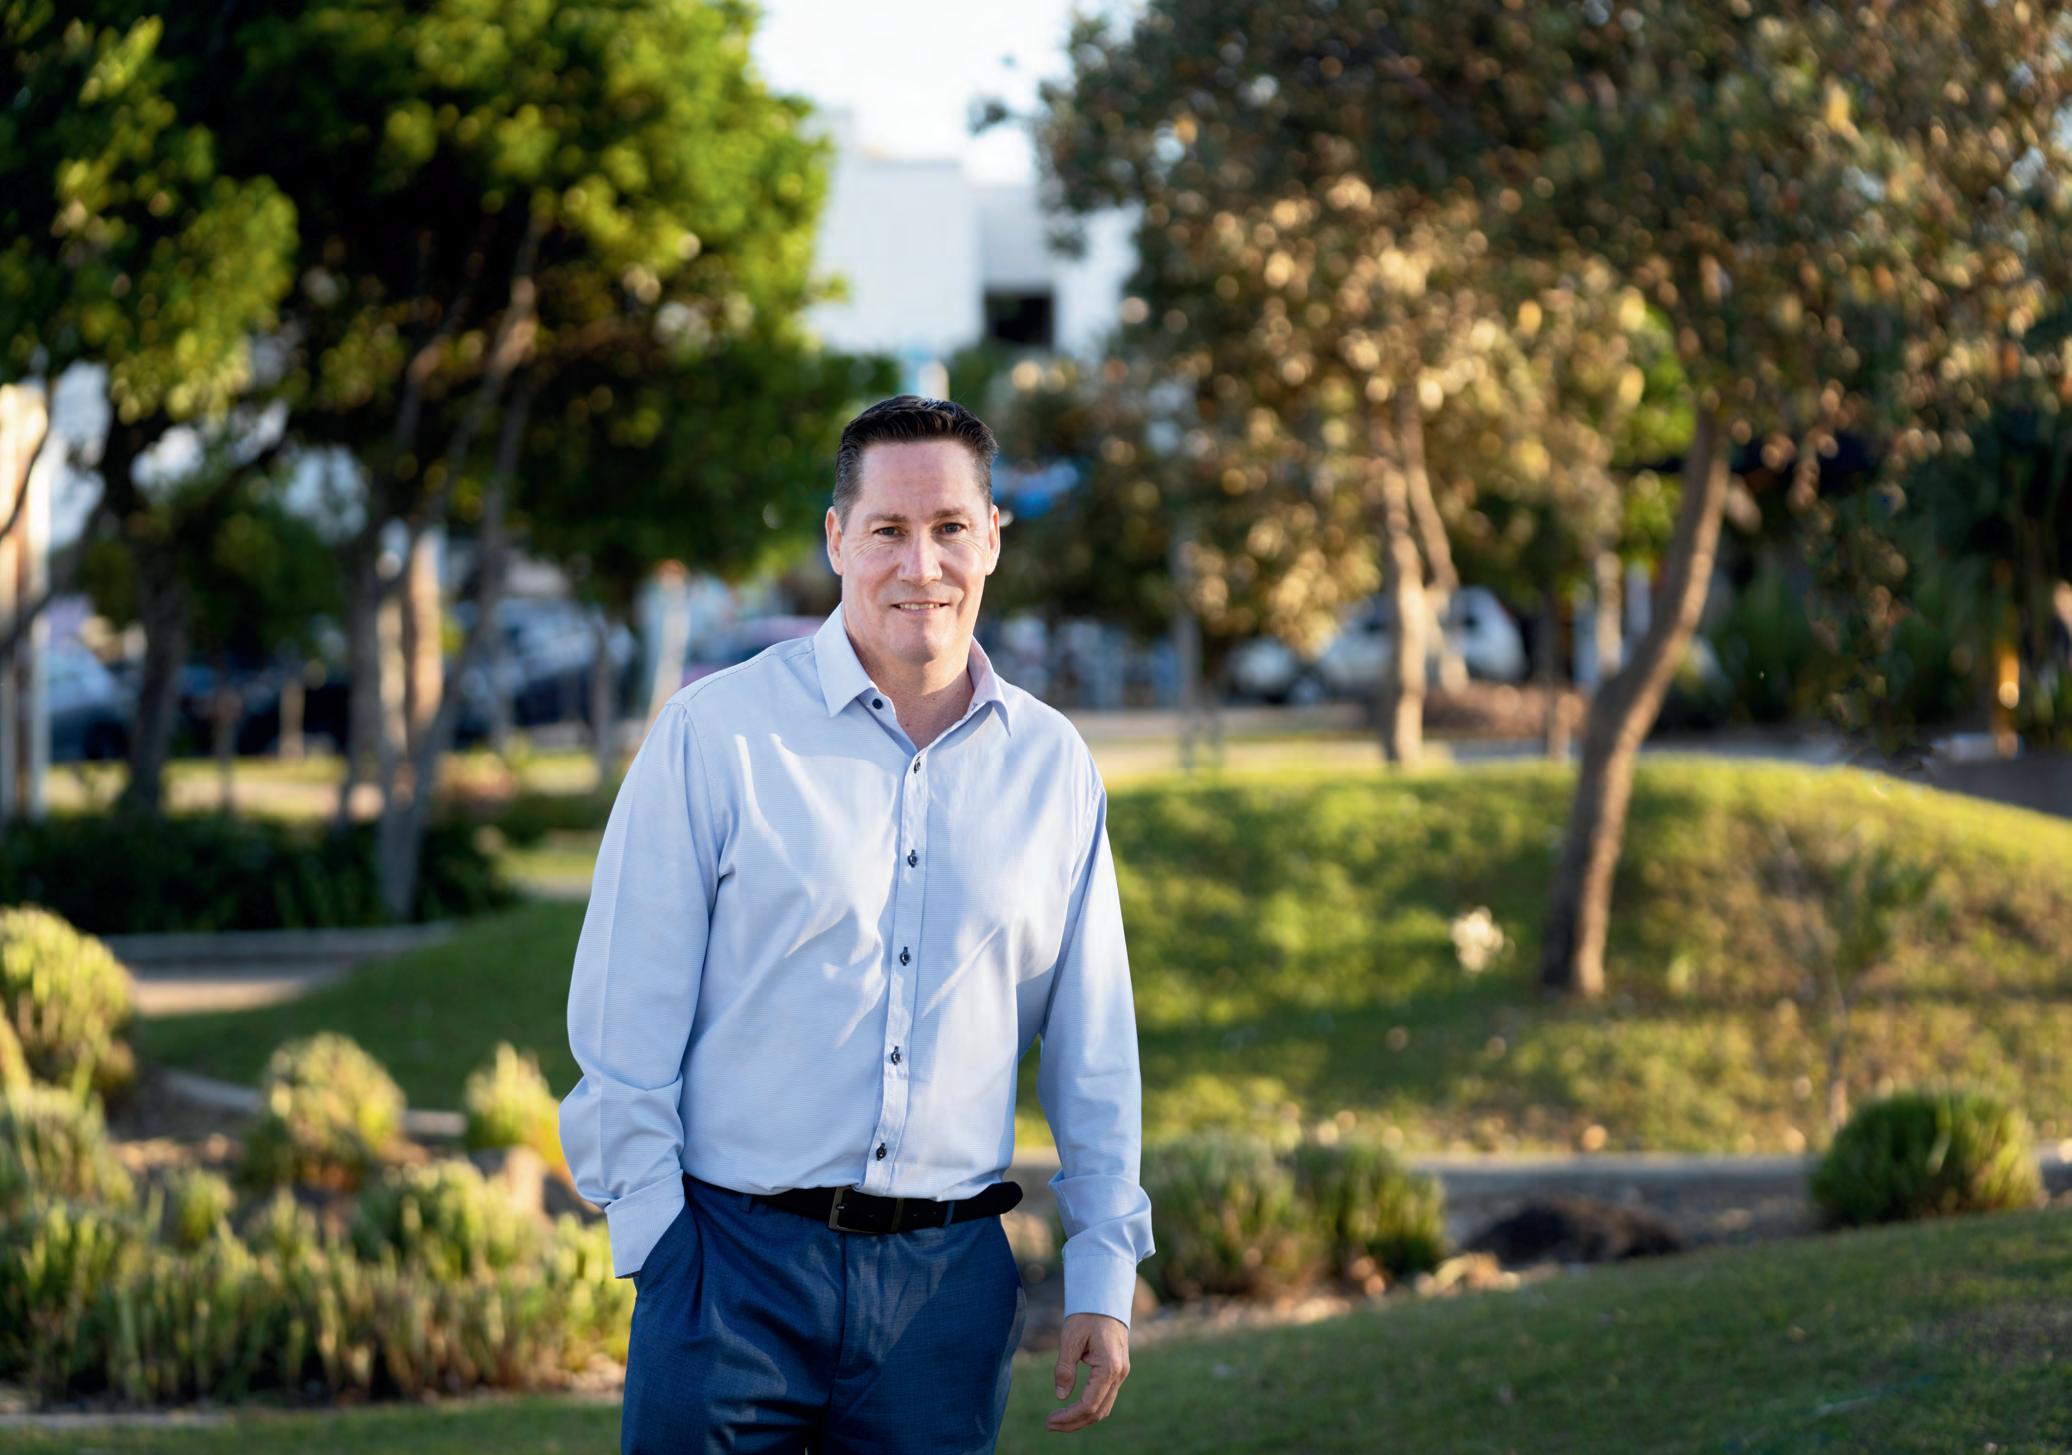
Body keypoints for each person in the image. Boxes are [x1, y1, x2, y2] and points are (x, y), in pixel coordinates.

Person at [560, 395, 1153, 1453]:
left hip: (944, 1297)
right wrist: (661, 1251)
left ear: (992, 539)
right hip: (727, 1277)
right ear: (836, 540)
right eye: (888, 529)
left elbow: (1092, 1049)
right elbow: (623, 1022)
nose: (921, 564)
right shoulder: (715, 735)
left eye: (950, 527)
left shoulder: (1053, 767)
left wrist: (1102, 1272)